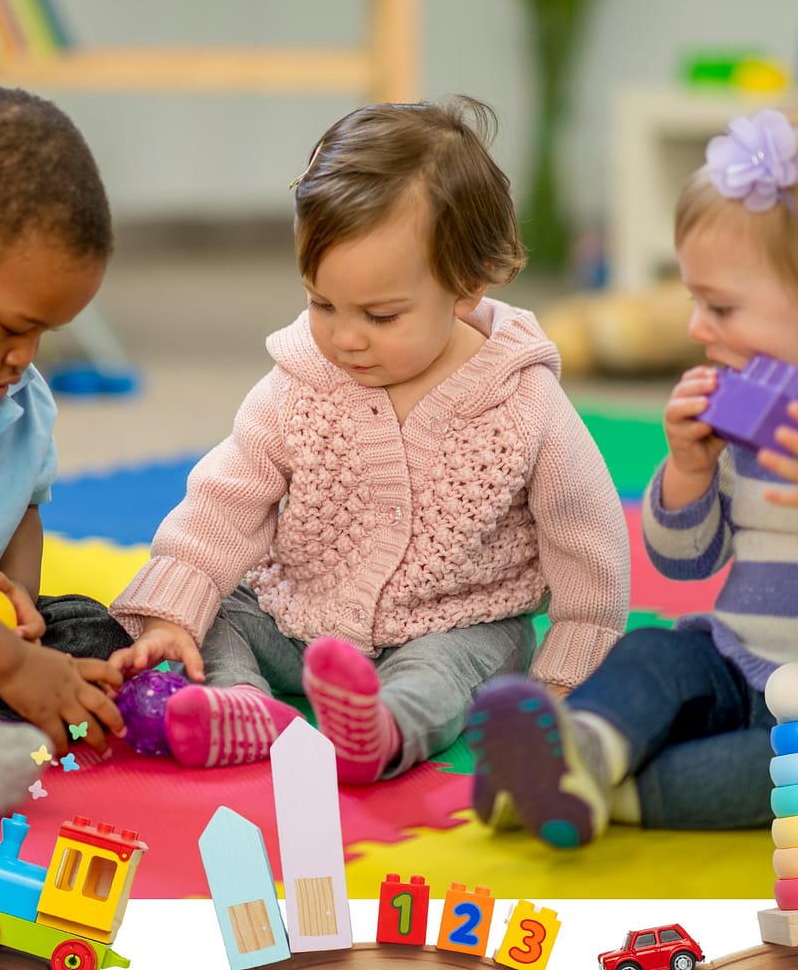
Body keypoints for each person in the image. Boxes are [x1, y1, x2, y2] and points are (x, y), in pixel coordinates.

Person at [108, 95, 629, 783]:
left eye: (380, 316)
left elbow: (585, 538)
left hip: (453, 623)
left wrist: (570, 669)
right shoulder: (298, 384)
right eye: (322, 303)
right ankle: (239, 703)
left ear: (465, 286)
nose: (344, 337)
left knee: (452, 673)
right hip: (299, 615)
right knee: (219, 613)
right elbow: (224, 502)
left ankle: (383, 732)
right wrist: (173, 614)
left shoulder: (524, 402)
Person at [466, 107, 798, 848]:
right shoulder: (740, 417)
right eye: (692, 300)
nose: (697, 328)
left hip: (795, 719)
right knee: (652, 653)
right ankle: (581, 748)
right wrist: (688, 469)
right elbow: (685, 563)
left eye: (721, 306)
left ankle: (597, 795)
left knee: (776, 775)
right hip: (735, 658)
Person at [0, 85, 132, 815]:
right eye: (12, 327)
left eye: (45, 333)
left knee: (102, 630)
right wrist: (15, 666)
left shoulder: (20, 396)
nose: (25, 356)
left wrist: (25, 620)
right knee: (15, 673)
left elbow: (21, 508)